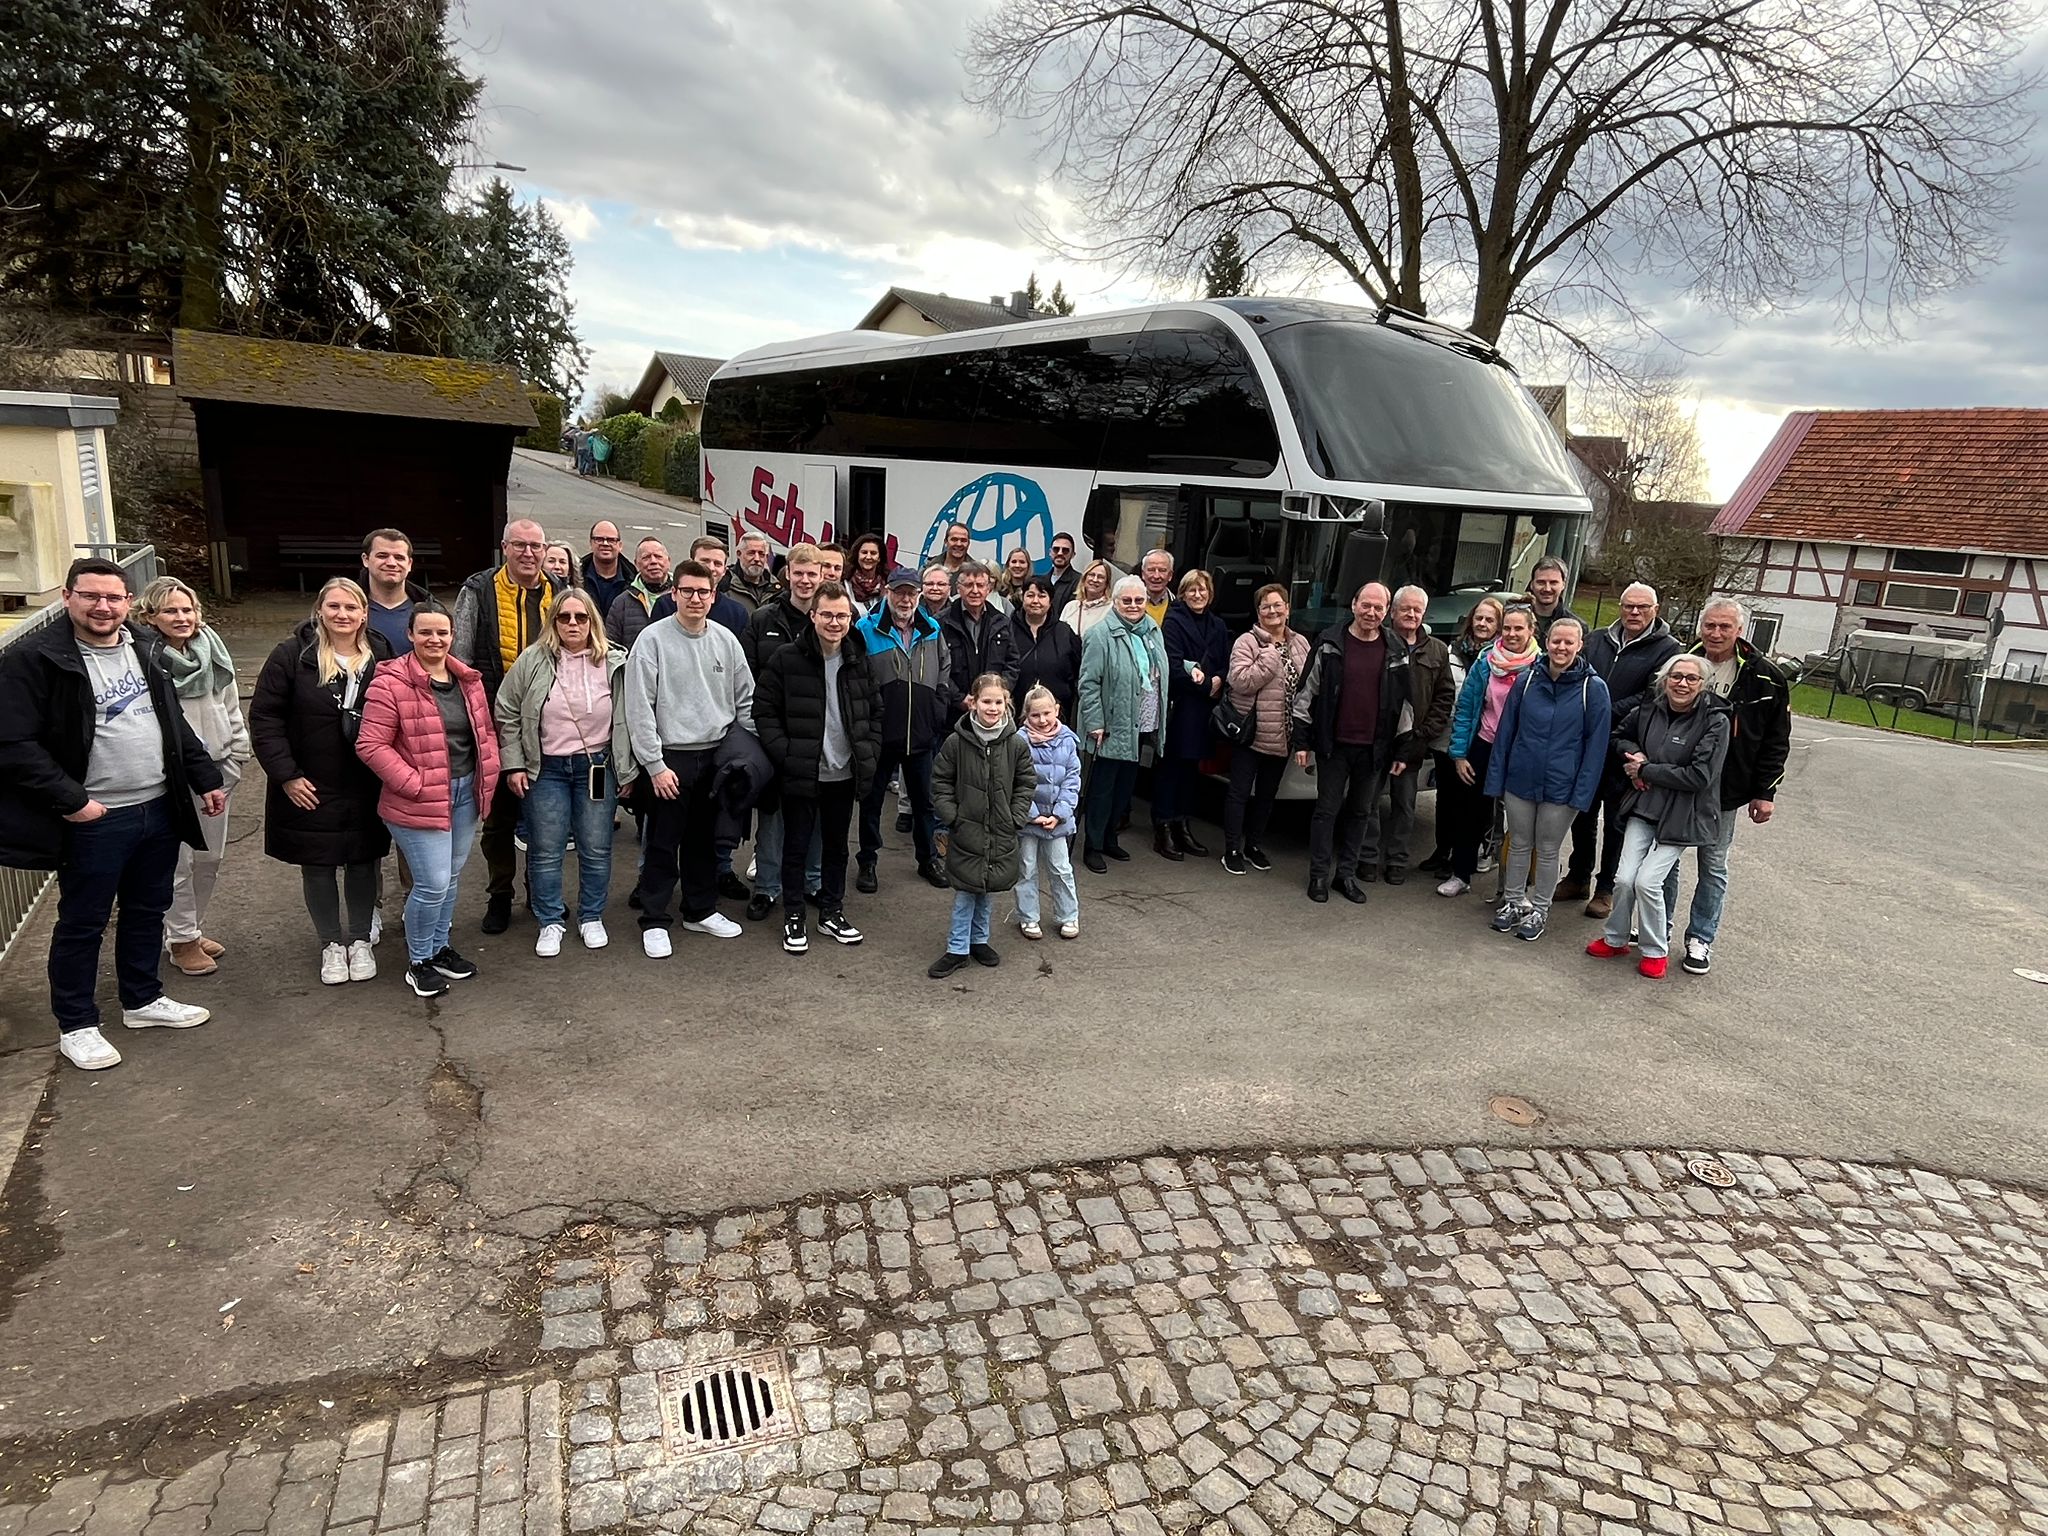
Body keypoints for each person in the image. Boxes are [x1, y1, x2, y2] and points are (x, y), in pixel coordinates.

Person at [0, 558, 225, 1072]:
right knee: (84, 922)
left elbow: (171, 724)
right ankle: (76, 1024)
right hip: (94, 818)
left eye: (114, 597)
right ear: (67, 596)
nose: (103, 606)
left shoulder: (145, 649)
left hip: (157, 806)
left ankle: (142, 1000)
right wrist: (72, 800)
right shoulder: (34, 659)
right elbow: (13, 743)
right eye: (91, 595)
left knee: (149, 909)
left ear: (128, 603)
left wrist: (204, 777)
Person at [251, 577, 394, 982]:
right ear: (320, 610)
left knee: (364, 861)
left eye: (351, 608)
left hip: (367, 779)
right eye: (334, 607)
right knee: (318, 864)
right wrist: (286, 776)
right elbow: (265, 718)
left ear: (364, 613)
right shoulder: (291, 656)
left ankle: (361, 940)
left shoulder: (381, 652)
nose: (342, 615)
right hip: (309, 782)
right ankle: (332, 944)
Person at [356, 603, 499, 997]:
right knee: (432, 882)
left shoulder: (466, 679)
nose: (434, 640)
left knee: (450, 879)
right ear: (410, 635)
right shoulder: (391, 682)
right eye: (425, 633)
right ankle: (419, 960)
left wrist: (489, 775)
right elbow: (371, 744)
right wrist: (413, 783)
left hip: (464, 792)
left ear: (452, 636)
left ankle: (439, 949)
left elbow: (483, 734)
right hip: (417, 799)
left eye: (442, 633)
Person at [495, 588, 637, 957]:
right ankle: (550, 920)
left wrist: (628, 768)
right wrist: (513, 763)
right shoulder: (533, 660)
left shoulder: (615, 662)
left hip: (597, 767)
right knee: (545, 850)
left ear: (593, 621)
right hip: (546, 769)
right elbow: (506, 710)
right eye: (564, 617)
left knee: (596, 847)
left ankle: (591, 916)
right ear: (553, 622)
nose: (573, 624)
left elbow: (632, 716)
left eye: (581, 617)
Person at [624, 559, 754, 952]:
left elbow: (744, 699)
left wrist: (750, 753)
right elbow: (638, 708)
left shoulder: (726, 641)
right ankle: (654, 918)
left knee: (703, 840)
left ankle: (699, 910)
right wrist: (654, 765)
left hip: (715, 757)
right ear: (674, 593)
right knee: (663, 842)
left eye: (703, 591)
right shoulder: (652, 640)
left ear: (714, 597)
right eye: (688, 591)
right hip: (670, 760)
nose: (695, 598)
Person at [1661, 597, 1792, 975]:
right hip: (1679, 782)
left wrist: (1765, 792)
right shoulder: (1683, 665)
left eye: (1725, 627)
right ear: (1701, 627)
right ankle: (1660, 927)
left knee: (1713, 864)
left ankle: (1700, 938)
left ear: (1739, 631)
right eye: (1710, 626)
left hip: (1726, 790)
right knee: (1667, 861)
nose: (1716, 633)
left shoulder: (1765, 676)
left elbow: (1775, 739)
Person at [135, 577, 251, 977]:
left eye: (187, 610)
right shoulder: (145, 659)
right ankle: (182, 939)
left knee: (210, 857)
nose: (181, 618)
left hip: (218, 768)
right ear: (150, 616)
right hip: (172, 777)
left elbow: (230, 703)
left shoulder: (210, 651)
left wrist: (238, 752)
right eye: (170, 610)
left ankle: (189, 929)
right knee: (179, 861)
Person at [1587, 655, 1730, 978]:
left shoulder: (1716, 721)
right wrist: (1633, 753)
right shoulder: (1649, 709)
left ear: (1702, 684)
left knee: (1648, 881)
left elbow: (1700, 775)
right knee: (1623, 879)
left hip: (1683, 814)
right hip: (1644, 805)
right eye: (1676, 676)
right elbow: (1618, 736)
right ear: (1664, 680)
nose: (1682, 683)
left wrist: (1647, 770)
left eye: (1691, 679)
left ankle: (1655, 950)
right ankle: (1616, 938)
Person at [452, 518, 562, 934]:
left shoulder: (561, 591)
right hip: (496, 719)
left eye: (536, 546)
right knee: (498, 818)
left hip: (551, 722)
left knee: (543, 817)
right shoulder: (478, 590)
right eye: (520, 545)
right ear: (504, 547)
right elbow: (460, 658)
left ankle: (540, 892)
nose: (528, 553)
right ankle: (500, 894)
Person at [756, 583, 880, 954]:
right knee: (795, 847)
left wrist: (869, 750)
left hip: (844, 774)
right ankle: (794, 915)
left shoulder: (859, 659)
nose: (834, 622)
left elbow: (876, 712)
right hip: (803, 771)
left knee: (837, 847)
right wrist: (787, 754)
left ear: (849, 618)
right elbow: (764, 711)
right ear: (813, 616)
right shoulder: (786, 658)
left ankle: (831, 911)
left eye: (841, 615)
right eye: (826, 614)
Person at [1482, 615, 1611, 942]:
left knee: (1549, 848)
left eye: (1569, 642)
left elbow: (1596, 748)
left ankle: (1540, 908)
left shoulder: (1592, 689)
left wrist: (1582, 796)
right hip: (1520, 779)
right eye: (1556, 641)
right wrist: (1496, 780)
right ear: (1546, 641)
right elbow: (1505, 734)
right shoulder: (1526, 681)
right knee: (1519, 842)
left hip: (1561, 787)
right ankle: (1513, 902)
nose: (1562, 647)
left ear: (1580, 645)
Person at [1557, 582, 1681, 917]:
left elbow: (1653, 695)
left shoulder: (1668, 649)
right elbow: (1578, 676)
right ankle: (1578, 875)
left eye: (1642, 607)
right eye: (1628, 606)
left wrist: (1600, 707)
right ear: (1620, 607)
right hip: (1586, 742)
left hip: (1627, 744)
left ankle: (1605, 888)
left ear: (1656, 609)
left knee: (1616, 820)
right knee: (1582, 811)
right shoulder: (1597, 639)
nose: (1634, 613)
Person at [1294, 582, 1414, 905]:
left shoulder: (1396, 648)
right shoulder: (1330, 642)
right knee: (1326, 812)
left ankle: (1344, 876)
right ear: (1354, 603)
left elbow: (1405, 705)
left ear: (1387, 612)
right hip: (1334, 747)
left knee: (1361, 813)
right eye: (1366, 605)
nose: (1371, 613)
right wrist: (1302, 741)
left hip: (1374, 750)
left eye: (1378, 608)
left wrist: (1403, 749)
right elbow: (1307, 694)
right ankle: (1318, 875)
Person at [929, 674, 1035, 977]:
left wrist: (1016, 816)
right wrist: (953, 817)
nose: (992, 707)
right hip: (967, 830)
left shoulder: (1015, 744)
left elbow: (1026, 781)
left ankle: (980, 940)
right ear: (973, 703)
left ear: (1007, 704)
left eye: (998, 702)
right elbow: (940, 782)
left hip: (1001, 829)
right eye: (986, 701)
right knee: (965, 891)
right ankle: (957, 948)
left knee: (987, 889)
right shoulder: (955, 743)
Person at [855, 569, 952, 894]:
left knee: (925, 803)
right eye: (899, 592)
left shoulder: (932, 629)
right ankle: (867, 861)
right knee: (871, 802)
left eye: (911, 593)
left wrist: (938, 706)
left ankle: (927, 861)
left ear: (920, 595)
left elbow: (945, 668)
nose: (905, 599)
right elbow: (855, 675)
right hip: (882, 734)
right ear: (887, 592)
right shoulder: (866, 629)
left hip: (922, 734)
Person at [741, 542, 824, 919]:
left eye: (813, 573)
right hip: (774, 730)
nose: (805, 580)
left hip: (819, 731)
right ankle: (768, 887)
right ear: (787, 574)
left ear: (822, 576)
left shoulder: (831, 618)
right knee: (773, 812)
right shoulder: (763, 619)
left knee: (816, 811)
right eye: (799, 572)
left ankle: (813, 881)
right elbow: (749, 675)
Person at [1361, 585, 1456, 885]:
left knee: (1405, 804)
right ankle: (1367, 857)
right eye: (1406, 609)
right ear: (1393, 612)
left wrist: (1424, 735)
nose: (1412, 614)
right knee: (1368, 801)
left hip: (1414, 742)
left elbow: (1445, 696)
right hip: (1376, 739)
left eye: (1417, 610)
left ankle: (1397, 861)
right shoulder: (1378, 643)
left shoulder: (1437, 651)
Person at [1076, 576, 1170, 873]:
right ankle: (1092, 845)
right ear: (1115, 602)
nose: (1133, 606)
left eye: (1138, 600)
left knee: (1125, 788)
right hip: (1110, 726)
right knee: (1102, 789)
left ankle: (1110, 838)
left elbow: (1158, 670)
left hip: (1140, 722)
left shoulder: (1152, 630)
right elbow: (1088, 684)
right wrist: (1095, 722)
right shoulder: (1100, 634)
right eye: (1126, 600)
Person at [1220, 583, 1310, 876]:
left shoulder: (1300, 643)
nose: (1272, 611)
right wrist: (1270, 655)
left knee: (1267, 795)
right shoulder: (1247, 642)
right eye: (1265, 606)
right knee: (1239, 793)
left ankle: (1253, 845)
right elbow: (1240, 681)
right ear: (1258, 612)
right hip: (1252, 734)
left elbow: (1310, 684)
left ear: (1288, 608)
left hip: (1284, 735)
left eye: (1277, 605)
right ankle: (1232, 849)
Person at [1429, 597, 1508, 891]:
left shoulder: (1500, 660)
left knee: (1473, 803)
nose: (1483, 624)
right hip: (1448, 734)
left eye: (1490, 620)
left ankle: (1472, 855)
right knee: (1446, 798)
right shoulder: (1451, 651)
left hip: (1482, 740)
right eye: (1479, 618)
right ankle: (1442, 851)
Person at [1155, 569, 1230, 859]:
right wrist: (1206, 686)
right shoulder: (1172, 623)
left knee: (1192, 769)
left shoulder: (1218, 625)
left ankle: (1182, 823)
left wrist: (1219, 680)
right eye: (1191, 590)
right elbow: (1172, 667)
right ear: (1183, 594)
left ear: (1210, 594)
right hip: (1181, 706)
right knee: (1171, 767)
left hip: (1206, 708)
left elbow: (1225, 662)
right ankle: (1163, 826)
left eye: (1203, 590)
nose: (1197, 595)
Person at [1014, 683, 1082, 941]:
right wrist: (1031, 814)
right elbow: (1016, 782)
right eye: (1034, 715)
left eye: (1046, 713)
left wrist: (1060, 813)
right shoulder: (1019, 742)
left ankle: (1068, 915)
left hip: (1057, 820)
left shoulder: (1067, 740)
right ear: (1026, 716)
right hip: (1029, 819)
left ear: (1057, 710)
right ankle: (1028, 917)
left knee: (1061, 868)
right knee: (1026, 868)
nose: (1042, 720)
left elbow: (1073, 779)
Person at [1002, 574, 1081, 724]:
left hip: (1057, 714)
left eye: (1041, 596)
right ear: (1022, 598)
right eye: (1030, 595)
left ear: (1050, 600)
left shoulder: (1064, 632)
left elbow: (1077, 671)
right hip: (1015, 713)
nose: (1035, 601)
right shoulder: (1007, 629)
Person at [941, 562, 1019, 713]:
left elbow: (1012, 663)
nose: (975, 591)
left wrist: (998, 695)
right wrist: (959, 699)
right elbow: (938, 667)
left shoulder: (1002, 622)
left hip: (993, 710)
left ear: (988, 588)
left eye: (980, 585)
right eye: (969, 585)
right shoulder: (942, 622)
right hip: (954, 711)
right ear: (958, 588)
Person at [649, 537, 750, 637]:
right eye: (705, 561)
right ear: (691, 562)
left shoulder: (737, 613)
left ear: (724, 571)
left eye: (717, 564)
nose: (711, 568)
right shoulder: (664, 605)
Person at [359, 528, 428, 657]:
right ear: (366, 559)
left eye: (399, 557)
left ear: (409, 564)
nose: (391, 563)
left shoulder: (429, 609)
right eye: (382, 556)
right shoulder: (345, 610)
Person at [604, 536, 672, 651]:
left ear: (668, 561)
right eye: (646, 558)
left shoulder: (684, 596)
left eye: (658, 556)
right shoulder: (622, 603)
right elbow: (611, 647)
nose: (653, 561)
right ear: (636, 564)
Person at [580, 521, 631, 619]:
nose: (605, 543)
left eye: (611, 540)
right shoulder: (575, 577)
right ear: (590, 543)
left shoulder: (633, 580)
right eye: (599, 539)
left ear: (620, 545)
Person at [720, 530, 780, 614]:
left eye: (761, 554)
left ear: (766, 558)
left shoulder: (776, 588)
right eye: (751, 553)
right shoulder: (724, 585)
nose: (757, 559)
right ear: (738, 554)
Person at [1525, 555, 1581, 641]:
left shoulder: (1577, 626)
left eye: (1553, 583)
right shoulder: (1514, 619)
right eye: (1541, 582)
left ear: (1563, 585)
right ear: (1532, 585)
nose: (1547, 589)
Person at [1060, 560, 1115, 640]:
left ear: (1106, 583)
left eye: (1100, 577)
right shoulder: (1070, 607)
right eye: (1092, 575)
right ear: (1084, 579)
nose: (1095, 580)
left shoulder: (1112, 609)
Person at [845, 533, 889, 614]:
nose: (868, 557)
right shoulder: (845, 583)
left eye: (873, 553)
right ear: (857, 555)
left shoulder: (887, 584)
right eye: (864, 552)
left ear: (879, 558)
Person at [1047, 531, 1081, 618]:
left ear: (1073, 555)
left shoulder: (1079, 582)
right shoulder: (1042, 581)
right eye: (1056, 549)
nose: (1060, 553)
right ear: (1050, 552)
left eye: (1065, 550)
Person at [1138, 549, 1175, 627]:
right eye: (1151, 570)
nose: (1156, 576)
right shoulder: (1130, 604)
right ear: (1143, 574)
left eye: (1162, 570)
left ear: (1170, 575)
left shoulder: (1178, 606)